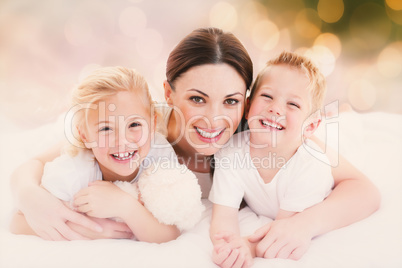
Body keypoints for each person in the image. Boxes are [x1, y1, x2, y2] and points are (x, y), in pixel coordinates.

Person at [10, 27, 379, 253]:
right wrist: (31, 196)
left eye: (231, 101)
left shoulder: (258, 136)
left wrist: (304, 224)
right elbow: (37, 162)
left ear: (248, 102)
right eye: (197, 99)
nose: (215, 119)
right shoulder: (137, 130)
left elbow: (362, 188)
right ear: (168, 94)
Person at [10, 66, 183, 243]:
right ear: (84, 135)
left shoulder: (159, 155)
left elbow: (170, 233)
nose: (123, 140)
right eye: (106, 128)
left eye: (134, 125)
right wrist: (86, 228)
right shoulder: (73, 170)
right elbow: (17, 222)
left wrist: (125, 205)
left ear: (153, 123)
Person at [209, 51, 335, 267]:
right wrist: (228, 246)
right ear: (248, 107)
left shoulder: (311, 167)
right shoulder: (231, 151)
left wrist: (248, 246)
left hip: (294, 215)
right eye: (267, 96)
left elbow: (282, 232)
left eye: (293, 104)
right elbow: (223, 215)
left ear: (311, 126)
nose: (275, 108)